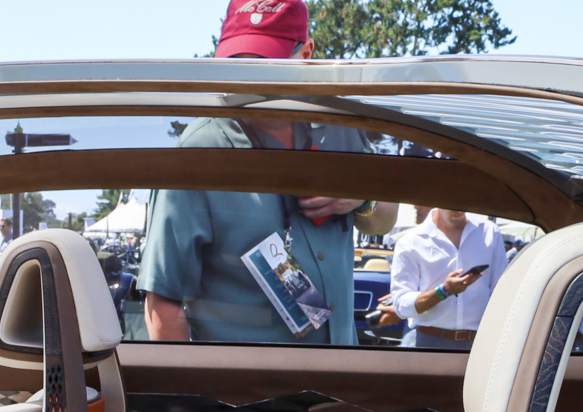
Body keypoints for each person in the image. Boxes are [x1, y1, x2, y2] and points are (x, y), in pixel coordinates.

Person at [138, 0, 395, 345]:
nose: (247, 77)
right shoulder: (197, 155)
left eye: (263, 62)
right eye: (237, 61)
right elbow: (162, 306)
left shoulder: (340, 128)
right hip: (244, 393)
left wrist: (361, 199)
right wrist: (192, 396)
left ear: (306, 54)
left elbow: (387, 217)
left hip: (339, 382)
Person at [385, 208, 511, 350]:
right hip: (429, 343)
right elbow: (401, 305)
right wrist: (443, 291)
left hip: (481, 344)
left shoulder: (490, 232)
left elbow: (502, 292)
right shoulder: (410, 242)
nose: (458, 206)